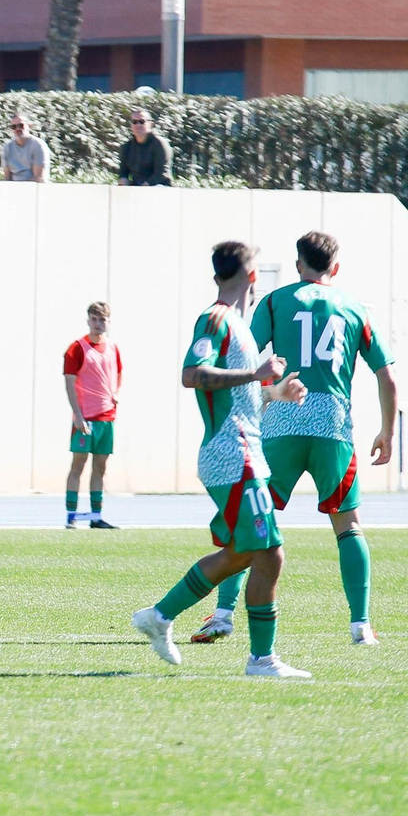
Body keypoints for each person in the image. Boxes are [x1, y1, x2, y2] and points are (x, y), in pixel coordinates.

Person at [195, 231, 397, 646]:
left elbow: (248, 357)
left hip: (283, 419)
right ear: (335, 268)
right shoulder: (355, 307)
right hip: (333, 426)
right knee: (348, 527)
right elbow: (387, 375)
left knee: (253, 526)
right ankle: (360, 625)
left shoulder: (274, 301)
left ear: (298, 265)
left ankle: (222, 614)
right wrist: (387, 432)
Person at [131, 240, 311, 679]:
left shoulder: (241, 329)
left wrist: (273, 392)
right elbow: (193, 376)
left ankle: (158, 616)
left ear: (218, 275)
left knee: (240, 554)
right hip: (233, 454)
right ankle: (262, 660)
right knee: (270, 553)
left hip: (245, 450)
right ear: (253, 278)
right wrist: (257, 374)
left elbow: (239, 394)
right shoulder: (215, 319)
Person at [63, 302, 121, 530]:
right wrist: (77, 415)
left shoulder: (113, 348)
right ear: (88, 320)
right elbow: (69, 382)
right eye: (95, 319)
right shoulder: (76, 348)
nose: (99, 324)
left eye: (103, 320)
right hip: (85, 417)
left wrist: (115, 393)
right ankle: (71, 515)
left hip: (107, 417)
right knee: (78, 464)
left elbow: (117, 373)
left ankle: (96, 516)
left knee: (101, 467)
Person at [117, 108, 172, 186]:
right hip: (137, 186)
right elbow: (123, 172)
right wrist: (123, 181)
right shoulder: (127, 147)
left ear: (151, 124)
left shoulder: (159, 144)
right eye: (134, 122)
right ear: (131, 125)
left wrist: (145, 186)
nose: (138, 125)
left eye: (142, 122)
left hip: (158, 186)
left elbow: (161, 173)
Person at [1, 113, 50, 182]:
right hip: (13, 188)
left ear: (29, 126)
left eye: (21, 126)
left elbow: (38, 177)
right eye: (14, 127)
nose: (18, 129)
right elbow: (7, 176)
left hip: (35, 188)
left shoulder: (38, 145)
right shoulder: (7, 148)